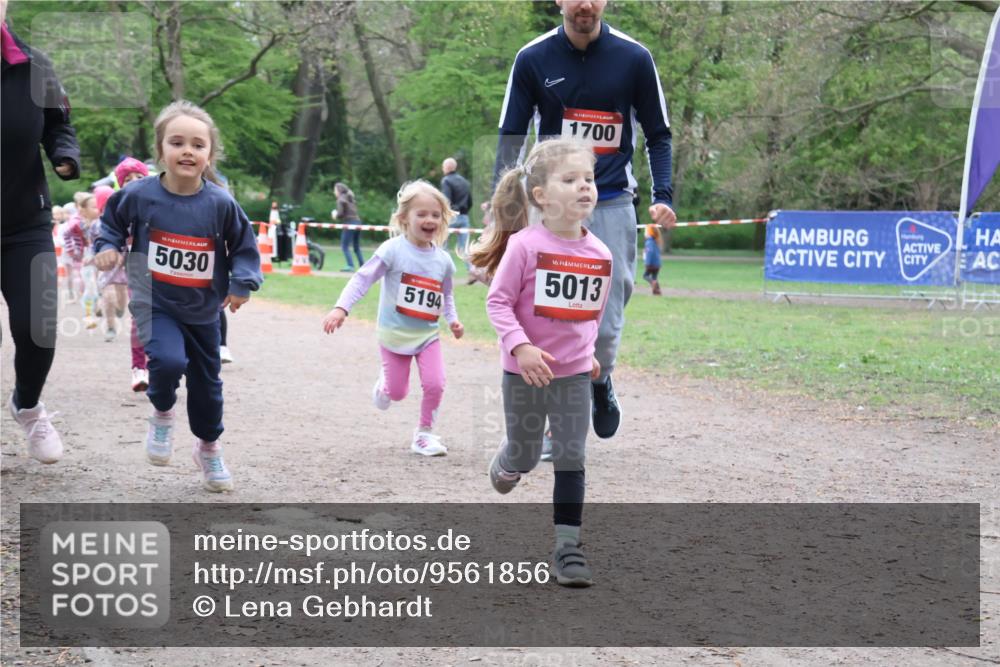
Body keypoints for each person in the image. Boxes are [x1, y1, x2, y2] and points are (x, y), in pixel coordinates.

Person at [493, 0, 677, 439]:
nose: (585, 4)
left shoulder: (634, 57)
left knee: (607, 326)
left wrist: (663, 195)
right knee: (545, 315)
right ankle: (556, 421)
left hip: (611, 200)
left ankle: (599, 376)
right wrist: (502, 202)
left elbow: (658, 133)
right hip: (550, 207)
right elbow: (511, 135)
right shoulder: (532, 58)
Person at [94, 100, 262, 492]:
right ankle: (163, 413)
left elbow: (243, 247)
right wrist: (108, 245)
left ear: (209, 155)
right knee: (167, 361)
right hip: (154, 301)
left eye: (198, 145)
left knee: (208, 386)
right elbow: (112, 224)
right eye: (177, 142)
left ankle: (208, 448)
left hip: (203, 310)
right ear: (161, 151)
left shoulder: (220, 202)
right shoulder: (139, 194)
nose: (188, 150)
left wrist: (242, 284)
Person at [470, 139, 611, 587]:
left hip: (571, 377)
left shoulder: (602, 255)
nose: (584, 188)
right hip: (524, 372)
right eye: (570, 180)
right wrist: (520, 346)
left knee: (571, 456)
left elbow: (589, 316)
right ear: (541, 196)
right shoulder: (525, 246)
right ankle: (508, 460)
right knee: (528, 456)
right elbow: (498, 302)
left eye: (588, 179)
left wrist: (588, 355)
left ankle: (568, 548)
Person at [323, 180, 464, 457]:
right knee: (397, 393)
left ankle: (424, 434)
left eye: (435, 215)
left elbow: (446, 296)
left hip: (427, 336)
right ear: (403, 218)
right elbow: (362, 279)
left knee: (436, 383)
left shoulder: (444, 261)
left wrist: (453, 320)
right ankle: (385, 385)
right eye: (421, 214)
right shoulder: (392, 250)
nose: (429, 220)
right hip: (393, 335)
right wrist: (341, 308)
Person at [1, 5, 80, 463]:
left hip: (24, 220)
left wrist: (63, 155)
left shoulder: (34, 65)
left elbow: (58, 123)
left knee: (40, 325)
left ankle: (27, 405)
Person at [112, 156, 152, 390]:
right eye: (128, 179)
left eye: (139, 177)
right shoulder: (120, 209)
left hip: (166, 271)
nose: (135, 181)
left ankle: (159, 367)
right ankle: (139, 369)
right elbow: (110, 236)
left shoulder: (160, 205)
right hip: (136, 271)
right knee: (140, 319)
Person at [63, 192, 101, 330]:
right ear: (83, 209)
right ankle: (88, 316)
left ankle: (97, 308)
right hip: (86, 258)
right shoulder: (76, 224)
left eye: (99, 206)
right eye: (94, 207)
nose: (98, 209)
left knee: (99, 287)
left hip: (100, 257)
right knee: (90, 287)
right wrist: (74, 251)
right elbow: (66, 234)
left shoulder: (101, 221)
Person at [440, 157, 472, 272]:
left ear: (447, 167)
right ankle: (472, 271)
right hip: (464, 217)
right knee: (464, 248)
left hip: (451, 218)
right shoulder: (465, 181)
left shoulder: (446, 181)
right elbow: (470, 201)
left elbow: (446, 201)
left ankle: (446, 271)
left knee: (442, 245)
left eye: (443, 166)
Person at [333, 182, 364, 272]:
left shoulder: (340, 200)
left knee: (344, 246)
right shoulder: (350, 199)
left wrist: (334, 215)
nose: (334, 192)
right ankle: (362, 265)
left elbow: (340, 214)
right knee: (356, 247)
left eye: (334, 190)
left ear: (338, 191)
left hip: (349, 223)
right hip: (358, 222)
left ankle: (350, 265)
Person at [642, 223, 662, 295]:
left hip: (651, 264)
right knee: (654, 277)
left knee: (645, 276)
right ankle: (656, 291)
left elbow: (650, 253)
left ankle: (654, 284)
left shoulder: (649, 242)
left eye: (646, 232)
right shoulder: (656, 241)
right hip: (657, 264)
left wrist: (647, 263)